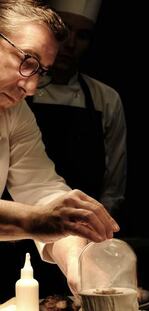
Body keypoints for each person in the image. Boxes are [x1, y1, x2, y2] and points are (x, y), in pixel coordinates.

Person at [0, 0, 118, 295]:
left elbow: (43, 190)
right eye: (28, 61)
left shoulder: (15, 113)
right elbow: (44, 214)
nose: (30, 88)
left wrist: (79, 258)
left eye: (41, 71)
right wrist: (37, 220)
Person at [27, 0, 127, 213]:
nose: (71, 43)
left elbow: (114, 184)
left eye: (82, 36)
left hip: (84, 224)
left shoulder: (105, 98)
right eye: (63, 31)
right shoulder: (20, 90)